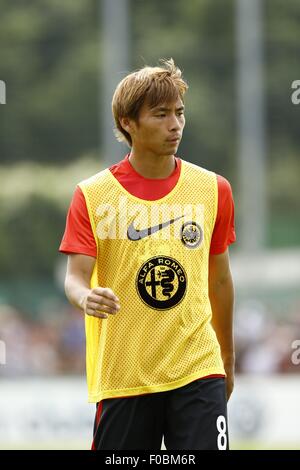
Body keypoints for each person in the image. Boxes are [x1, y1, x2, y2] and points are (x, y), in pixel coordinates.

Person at [59, 59, 236, 450]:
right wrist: (86, 296)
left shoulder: (213, 189)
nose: (175, 125)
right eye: (160, 115)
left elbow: (219, 279)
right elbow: (74, 277)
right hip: (124, 375)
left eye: (179, 113)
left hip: (198, 369)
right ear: (128, 123)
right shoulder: (92, 195)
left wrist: (226, 358)